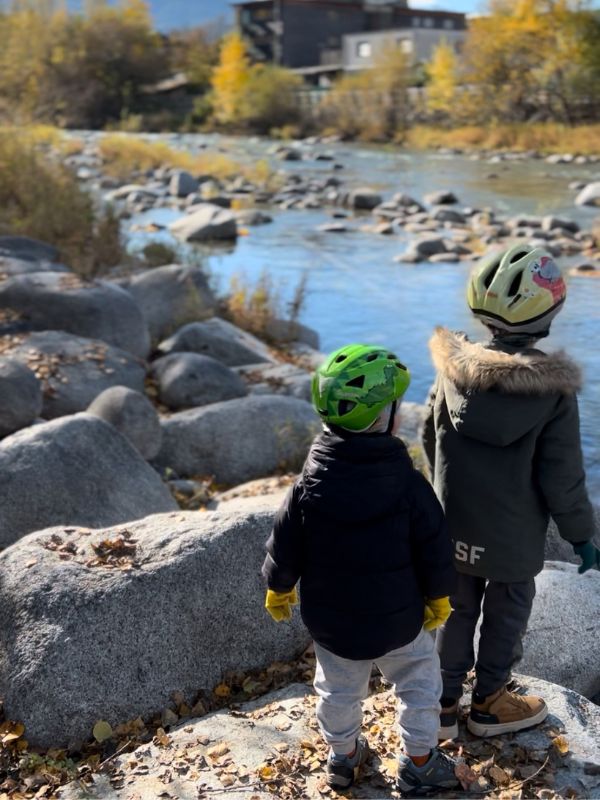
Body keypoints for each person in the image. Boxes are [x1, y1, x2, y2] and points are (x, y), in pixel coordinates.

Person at [262, 344, 459, 794]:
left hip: (333, 624)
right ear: (385, 418)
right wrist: (439, 595)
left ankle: (343, 757)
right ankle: (420, 762)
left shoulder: (308, 485)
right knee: (419, 683)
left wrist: (278, 585)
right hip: (399, 620)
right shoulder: (409, 485)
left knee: (337, 691)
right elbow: (434, 547)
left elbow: (284, 541)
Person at [423, 244, 598, 740]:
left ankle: (440, 705)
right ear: (549, 315)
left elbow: (430, 437)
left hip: (454, 523)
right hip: (513, 536)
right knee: (508, 611)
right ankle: (490, 702)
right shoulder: (551, 391)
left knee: (455, 609)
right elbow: (562, 475)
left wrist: (439, 495)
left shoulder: (452, 369)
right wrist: (581, 536)